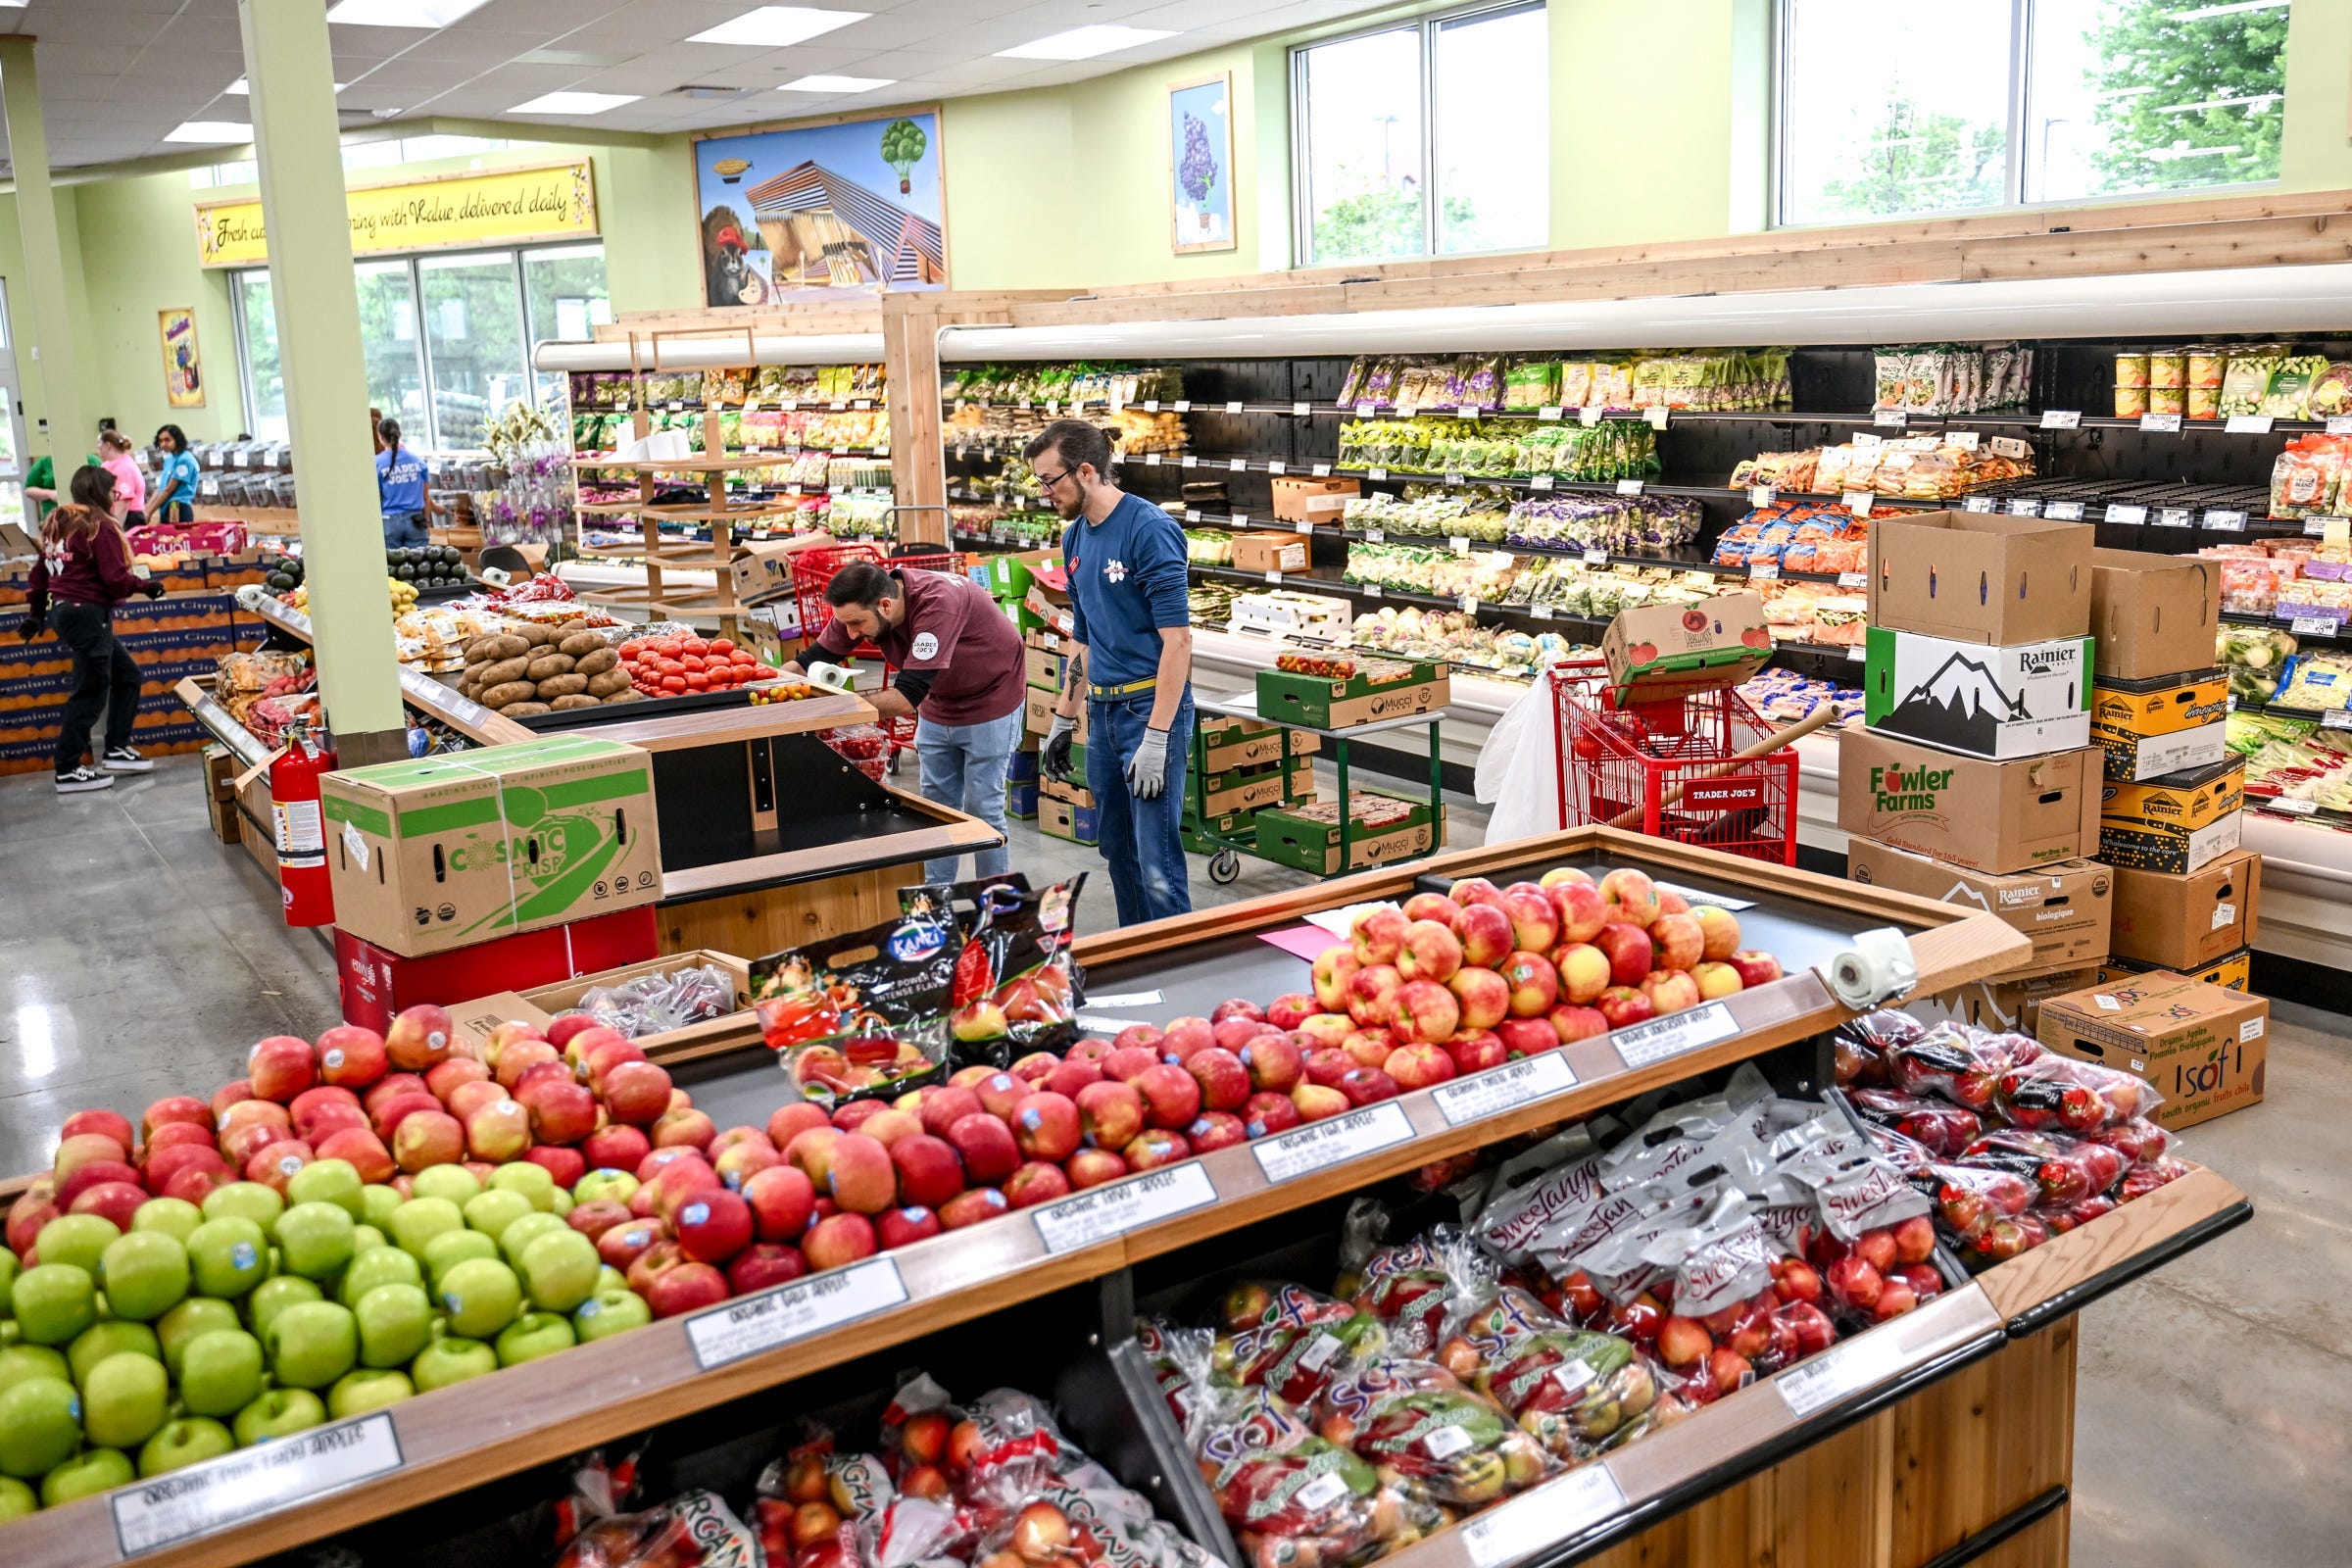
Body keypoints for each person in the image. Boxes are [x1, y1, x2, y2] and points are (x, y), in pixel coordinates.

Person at [1028, 417, 1195, 926]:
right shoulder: (1075, 536)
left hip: (1149, 709)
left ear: (1086, 472)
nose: (1044, 493)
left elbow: (1179, 642)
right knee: (1116, 852)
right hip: (1101, 711)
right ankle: (1137, 953)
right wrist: (1062, 720)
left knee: (1156, 861)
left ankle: (1182, 964)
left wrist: (1157, 737)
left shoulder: (1150, 531)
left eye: (1049, 481)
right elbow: (1084, 634)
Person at [781, 558, 1027, 883]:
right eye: (846, 624)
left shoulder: (938, 604)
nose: (851, 633)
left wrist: (827, 712)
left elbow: (903, 698)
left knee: (984, 808)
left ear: (886, 605)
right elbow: (810, 660)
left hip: (991, 700)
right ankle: (935, 899)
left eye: (857, 623)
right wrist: (762, 684)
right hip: (939, 701)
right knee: (935, 809)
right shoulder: (860, 607)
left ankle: (997, 903)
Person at [23, 464, 166, 793]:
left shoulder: (59, 522)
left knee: (127, 676)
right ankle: (68, 768)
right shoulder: (98, 526)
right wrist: (146, 586)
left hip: (67, 612)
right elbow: (114, 579)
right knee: (88, 692)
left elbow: (40, 575)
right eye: (114, 492)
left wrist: (36, 613)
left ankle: (116, 748)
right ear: (101, 492)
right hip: (87, 614)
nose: (117, 498)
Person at [375, 418, 443, 549]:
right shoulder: (418, 462)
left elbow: (376, 498)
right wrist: (427, 522)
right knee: (419, 565)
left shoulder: (376, 463)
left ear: (381, 437)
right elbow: (425, 497)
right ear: (399, 435)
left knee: (393, 566)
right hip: (416, 521)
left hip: (389, 523)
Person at [149, 424, 200, 523]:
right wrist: (147, 508)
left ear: (177, 440)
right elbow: (161, 488)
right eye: (160, 441)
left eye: (167, 440)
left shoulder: (184, 460)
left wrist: (150, 511)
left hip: (176, 505)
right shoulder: (169, 459)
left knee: (175, 535)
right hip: (165, 506)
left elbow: (169, 490)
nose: (163, 444)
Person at [100, 429, 147, 526]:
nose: (98, 449)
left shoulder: (123, 468)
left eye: (99, 446)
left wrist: (116, 529)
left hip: (128, 517)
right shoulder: (108, 465)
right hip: (114, 514)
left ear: (108, 445)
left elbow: (123, 504)